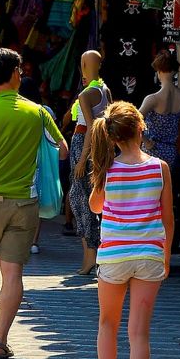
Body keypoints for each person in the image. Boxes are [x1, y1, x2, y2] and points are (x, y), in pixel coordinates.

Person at [0, 48, 66, 359]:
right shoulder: (38, 112)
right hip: (25, 204)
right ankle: (1, 341)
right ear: (14, 73)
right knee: (12, 274)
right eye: (20, 70)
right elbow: (60, 149)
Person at [87, 102, 174, 359]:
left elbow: (96, 206)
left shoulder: (109, 169)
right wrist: (164, 258)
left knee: (107, 325)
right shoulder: (160, 168)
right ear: (141, 128)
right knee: (139, 334)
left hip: (113, 256)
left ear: (111, 137)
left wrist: (102, 176)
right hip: (149, 254)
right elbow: (168, 218)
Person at [70, 50, 111, 276]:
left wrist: (82, 157)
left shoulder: (86, 95)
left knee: (81, 202)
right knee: (90, 201)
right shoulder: (105, 90)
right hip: (98, 147)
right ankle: (92, 255)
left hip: (84, 145)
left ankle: (90, 256)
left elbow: (92, 126)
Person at [139, 50, 180, 169]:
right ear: (175, 71)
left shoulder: (153, 99)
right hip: (171, 153)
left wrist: (145, 141)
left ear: (158, 71)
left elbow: (131, 121)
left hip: (150, 152)